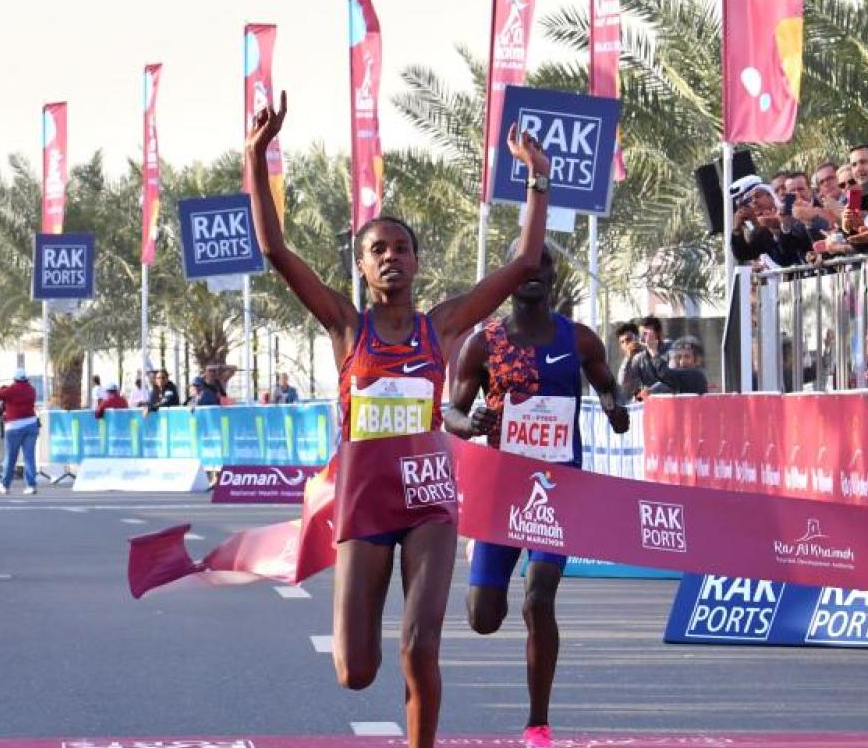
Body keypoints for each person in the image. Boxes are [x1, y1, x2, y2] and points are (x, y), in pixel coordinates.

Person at [246, 90, 548, 748]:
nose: (391, 257)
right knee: (356, 671)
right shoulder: (343, 325)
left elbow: (524, 263)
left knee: (420, 644)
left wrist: (537, 178)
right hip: (363, 499)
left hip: (428, 498)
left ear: (416, 262)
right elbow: (274, 251)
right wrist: (256, 155)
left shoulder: (438, 327)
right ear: (361, 265)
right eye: (378, 249)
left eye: (402, 248)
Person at [443, 246, 629, 748]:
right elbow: (452, 413)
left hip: (558, 487)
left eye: (541, 268)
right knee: (484, 618)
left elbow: (610, 388)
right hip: (500, 489)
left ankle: (537, 722)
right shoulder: (484, 344)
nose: (532, 276)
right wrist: (470, 422)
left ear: (551, 276)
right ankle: (479, 555)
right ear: (507, 278)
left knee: (538, 598)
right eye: (522, 268)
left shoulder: (580, 339)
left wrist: (616, 410)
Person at [0, 368, 39, 495]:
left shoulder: (12, 390)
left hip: (14, 426)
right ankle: (31, 485)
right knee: (29, 457)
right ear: (26, 379)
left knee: (11, 457)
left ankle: (5, 485)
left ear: (15, 379)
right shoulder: (32, 390)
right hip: (31, 425)